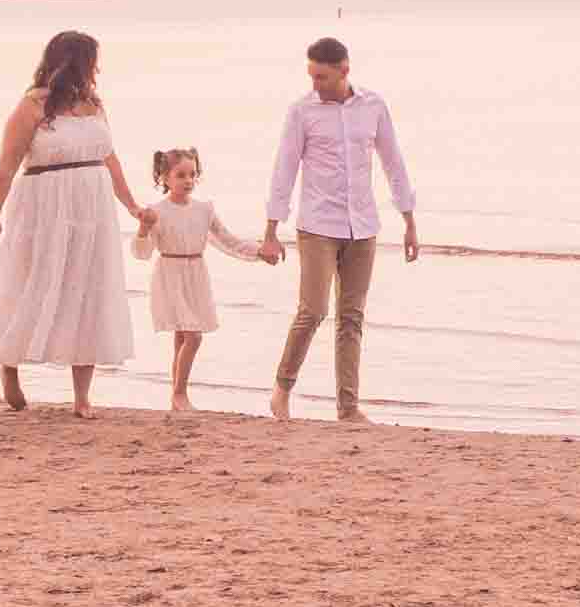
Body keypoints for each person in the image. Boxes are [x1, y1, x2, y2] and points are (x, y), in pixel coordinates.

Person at [0, 30, 145, 413]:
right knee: (29, 281)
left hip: (92, 206)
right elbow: (5, 168)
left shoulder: (95, 104)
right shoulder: (32, 105)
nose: (96, 70)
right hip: (43, 204)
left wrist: (131, 205)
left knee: (90, 288)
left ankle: (82, 397)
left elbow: (110, 158)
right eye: (91, 61)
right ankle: (9, 363)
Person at [258, 35, 417, 422]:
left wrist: (409, 220)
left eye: (323, 77)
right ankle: (282, 389)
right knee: (312, 310)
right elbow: (284, 168)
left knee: (352, 317)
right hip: (317, 225)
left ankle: (348, 407)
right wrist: (270, 230)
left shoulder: (374, 106)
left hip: (362, 226)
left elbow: (393, 162)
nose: (316, 84)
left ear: (345, 71)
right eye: (312, 76)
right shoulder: (301, 112)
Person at [132, 146, 275, 416]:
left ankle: (175, 400)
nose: (188, 180)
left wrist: (259, 252)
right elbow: (141, 253)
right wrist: (144, 227)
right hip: (170, 275)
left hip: (196, 274)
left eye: (192, 175)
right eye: (181, 175)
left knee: (182, 338)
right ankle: (180, 394)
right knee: (193, 336)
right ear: (165, 178)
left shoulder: (204, 209)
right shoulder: (156, 211)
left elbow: (227, 240)